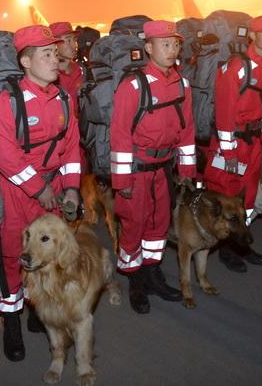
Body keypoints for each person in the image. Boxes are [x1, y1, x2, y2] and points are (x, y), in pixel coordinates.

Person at [0, 25, 81, 361]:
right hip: (17, 193)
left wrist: (71, 189)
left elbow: (72, 148)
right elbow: (5, 156)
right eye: (46, 54)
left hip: (54, 190)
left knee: (47, 258)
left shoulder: (64, 99)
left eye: (55, 53)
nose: (55, 59)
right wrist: (37, 187)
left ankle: (37, 312)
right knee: (14, 257)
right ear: (26, 61)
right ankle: (11, 321)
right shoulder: (8, 101)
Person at [110, 20, 196, 314]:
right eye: (166, 44)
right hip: (136, 170)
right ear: (148, 48)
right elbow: (120, 135)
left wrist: (187, 172)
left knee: (159, 225)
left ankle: (152, 271)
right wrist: (122, 183)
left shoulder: (182, 84)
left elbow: (187, 131)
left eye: (176, 45)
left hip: (164, 170)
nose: (173, 50)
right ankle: (135, 280)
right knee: (134, 225)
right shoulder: (133, 85)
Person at [205, 15, 262, 272]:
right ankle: (226, 248)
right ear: (252, 36)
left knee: (249, 194)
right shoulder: (236, 67)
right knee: (228, 193)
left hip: (254, 143)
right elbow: (225, 113)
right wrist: (228, 152)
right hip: (233, 144)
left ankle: (241, 243)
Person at [50, 21, 84, 105]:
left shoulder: (81, 70)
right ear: (54, 44)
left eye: (75, 40)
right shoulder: (47, 76)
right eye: (68, 40)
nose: (75, 45)